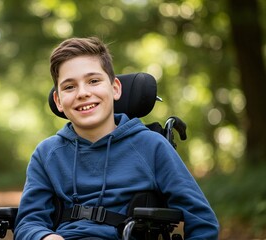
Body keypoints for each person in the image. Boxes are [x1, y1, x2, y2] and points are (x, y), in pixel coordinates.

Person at [14, 37, 219, 240]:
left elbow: (202, 222)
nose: (83, 93)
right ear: (58, 101)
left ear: (115, 88)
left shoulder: (151, 146)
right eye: (69, 87)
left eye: (93, 81)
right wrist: (43, 237)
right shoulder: (47, 154)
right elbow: (28, 223)